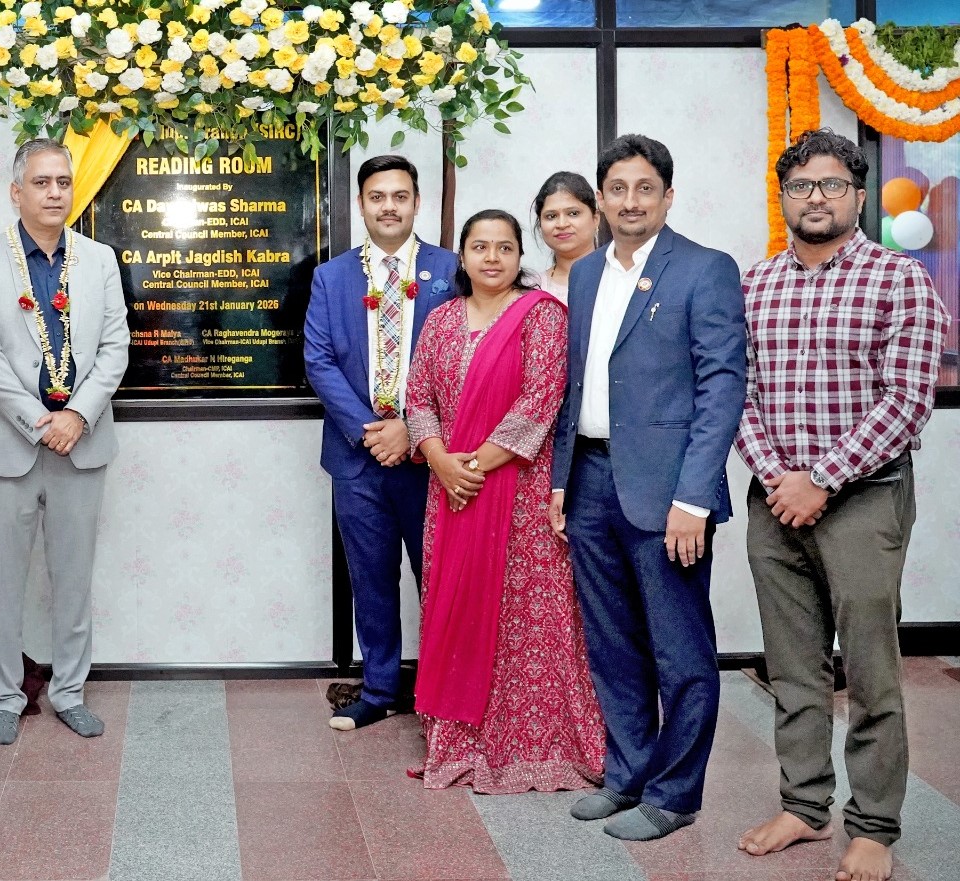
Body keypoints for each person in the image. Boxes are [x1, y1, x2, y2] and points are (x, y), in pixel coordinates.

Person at [734, 129, 948, 881]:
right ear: (784, 198)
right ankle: (803, 803)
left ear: (859, 196)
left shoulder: (898, 279)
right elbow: (738, 394)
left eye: (830, 185)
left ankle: (875, 823)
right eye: (801, 187)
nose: (815, 198)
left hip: (864, 496)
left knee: (869, 668)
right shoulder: (756, 285)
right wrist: (777, 477)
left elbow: (907, 401)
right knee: (792, 669)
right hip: (775, 497)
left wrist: (821, 478)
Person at [548, 134, 747, 841]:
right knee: (612, 643)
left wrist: (694, 497)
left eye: (645, 188)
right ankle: (626, 772)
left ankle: (675, 791)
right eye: (618, 188)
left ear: (667, 195)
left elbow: (723, 388)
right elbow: (578, 385)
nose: (630, 201)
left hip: (669, 495)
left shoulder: (704, 269)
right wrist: (562, 479)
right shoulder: (584, 275)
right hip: (593, 482)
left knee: (680, 650)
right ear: (601, 198)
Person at [406, 209, 604, 791]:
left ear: (522, 256)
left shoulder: (542, 316)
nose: (492, 258)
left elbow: (541, 402)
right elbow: (418, 399)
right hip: (451, 494)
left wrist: (472, 465)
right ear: (461, 257)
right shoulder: (440, 322)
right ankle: (461, 738)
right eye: (479, 247)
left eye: (505, 248)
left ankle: (537, 743)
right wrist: (442, 461)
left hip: (519, 494)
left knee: (527, 617)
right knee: (456, 604)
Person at [0, 138, 130, 746]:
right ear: (16, 192)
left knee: (73, 577)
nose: (55, 192)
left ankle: (70, 692)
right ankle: (5, 695)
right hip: (10, 445)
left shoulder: (99, 259)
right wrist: (40, 419)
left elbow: (116, 347)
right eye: (41, 182)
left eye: (63, 181)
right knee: (2, 580)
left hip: (80, 442)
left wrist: (77, 414)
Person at [304, 154, 457, 730]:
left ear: (416, 202)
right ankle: (378, 688)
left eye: (399, 195)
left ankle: (443, 697)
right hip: (357, 457)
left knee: (439, 577)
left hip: (432, 457)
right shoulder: (332, 275)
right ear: (361, 205)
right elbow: (318, 360)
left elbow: (463, 362)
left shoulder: (452, 269)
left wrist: (412, 432)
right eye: (377, 196)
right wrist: (373, 431)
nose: (388, 206)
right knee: (369, 577)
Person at [532, 171, 600, 303]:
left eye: (573, 213)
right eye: (551, 216)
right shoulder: (530, 288)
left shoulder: (618, 278)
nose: (562, 224)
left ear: (595, 219)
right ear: (540, 224)